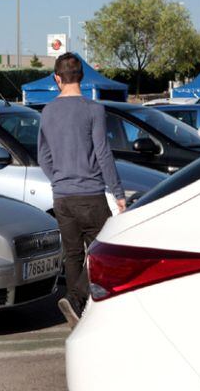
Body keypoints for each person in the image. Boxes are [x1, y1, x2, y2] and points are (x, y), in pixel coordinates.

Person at [38, 52, 126, 328]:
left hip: (62, 197)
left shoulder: (47, 111)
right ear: (82, 77)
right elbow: (103, 154)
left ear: (57, 79)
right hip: (91, 195)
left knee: (73, 254)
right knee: (103, 252)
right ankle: (78, 300)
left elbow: (43, 157)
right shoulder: (93, 109)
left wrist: (59, 180)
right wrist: (118, 193)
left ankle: (76, 312)